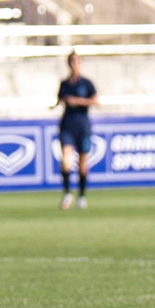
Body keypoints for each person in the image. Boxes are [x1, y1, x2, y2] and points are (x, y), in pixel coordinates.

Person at [54, 51, 99, 210]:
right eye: (71, 61)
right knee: (66, 160)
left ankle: (81, 196)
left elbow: (96, 101)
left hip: (83, 125)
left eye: (77, 61)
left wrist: (78, 101)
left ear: (80, 63)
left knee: (82, 163)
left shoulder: (87, 83)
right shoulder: (65, 83)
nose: (74, 64)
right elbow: (59, 99)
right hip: (67, 125)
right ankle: (67, 193)